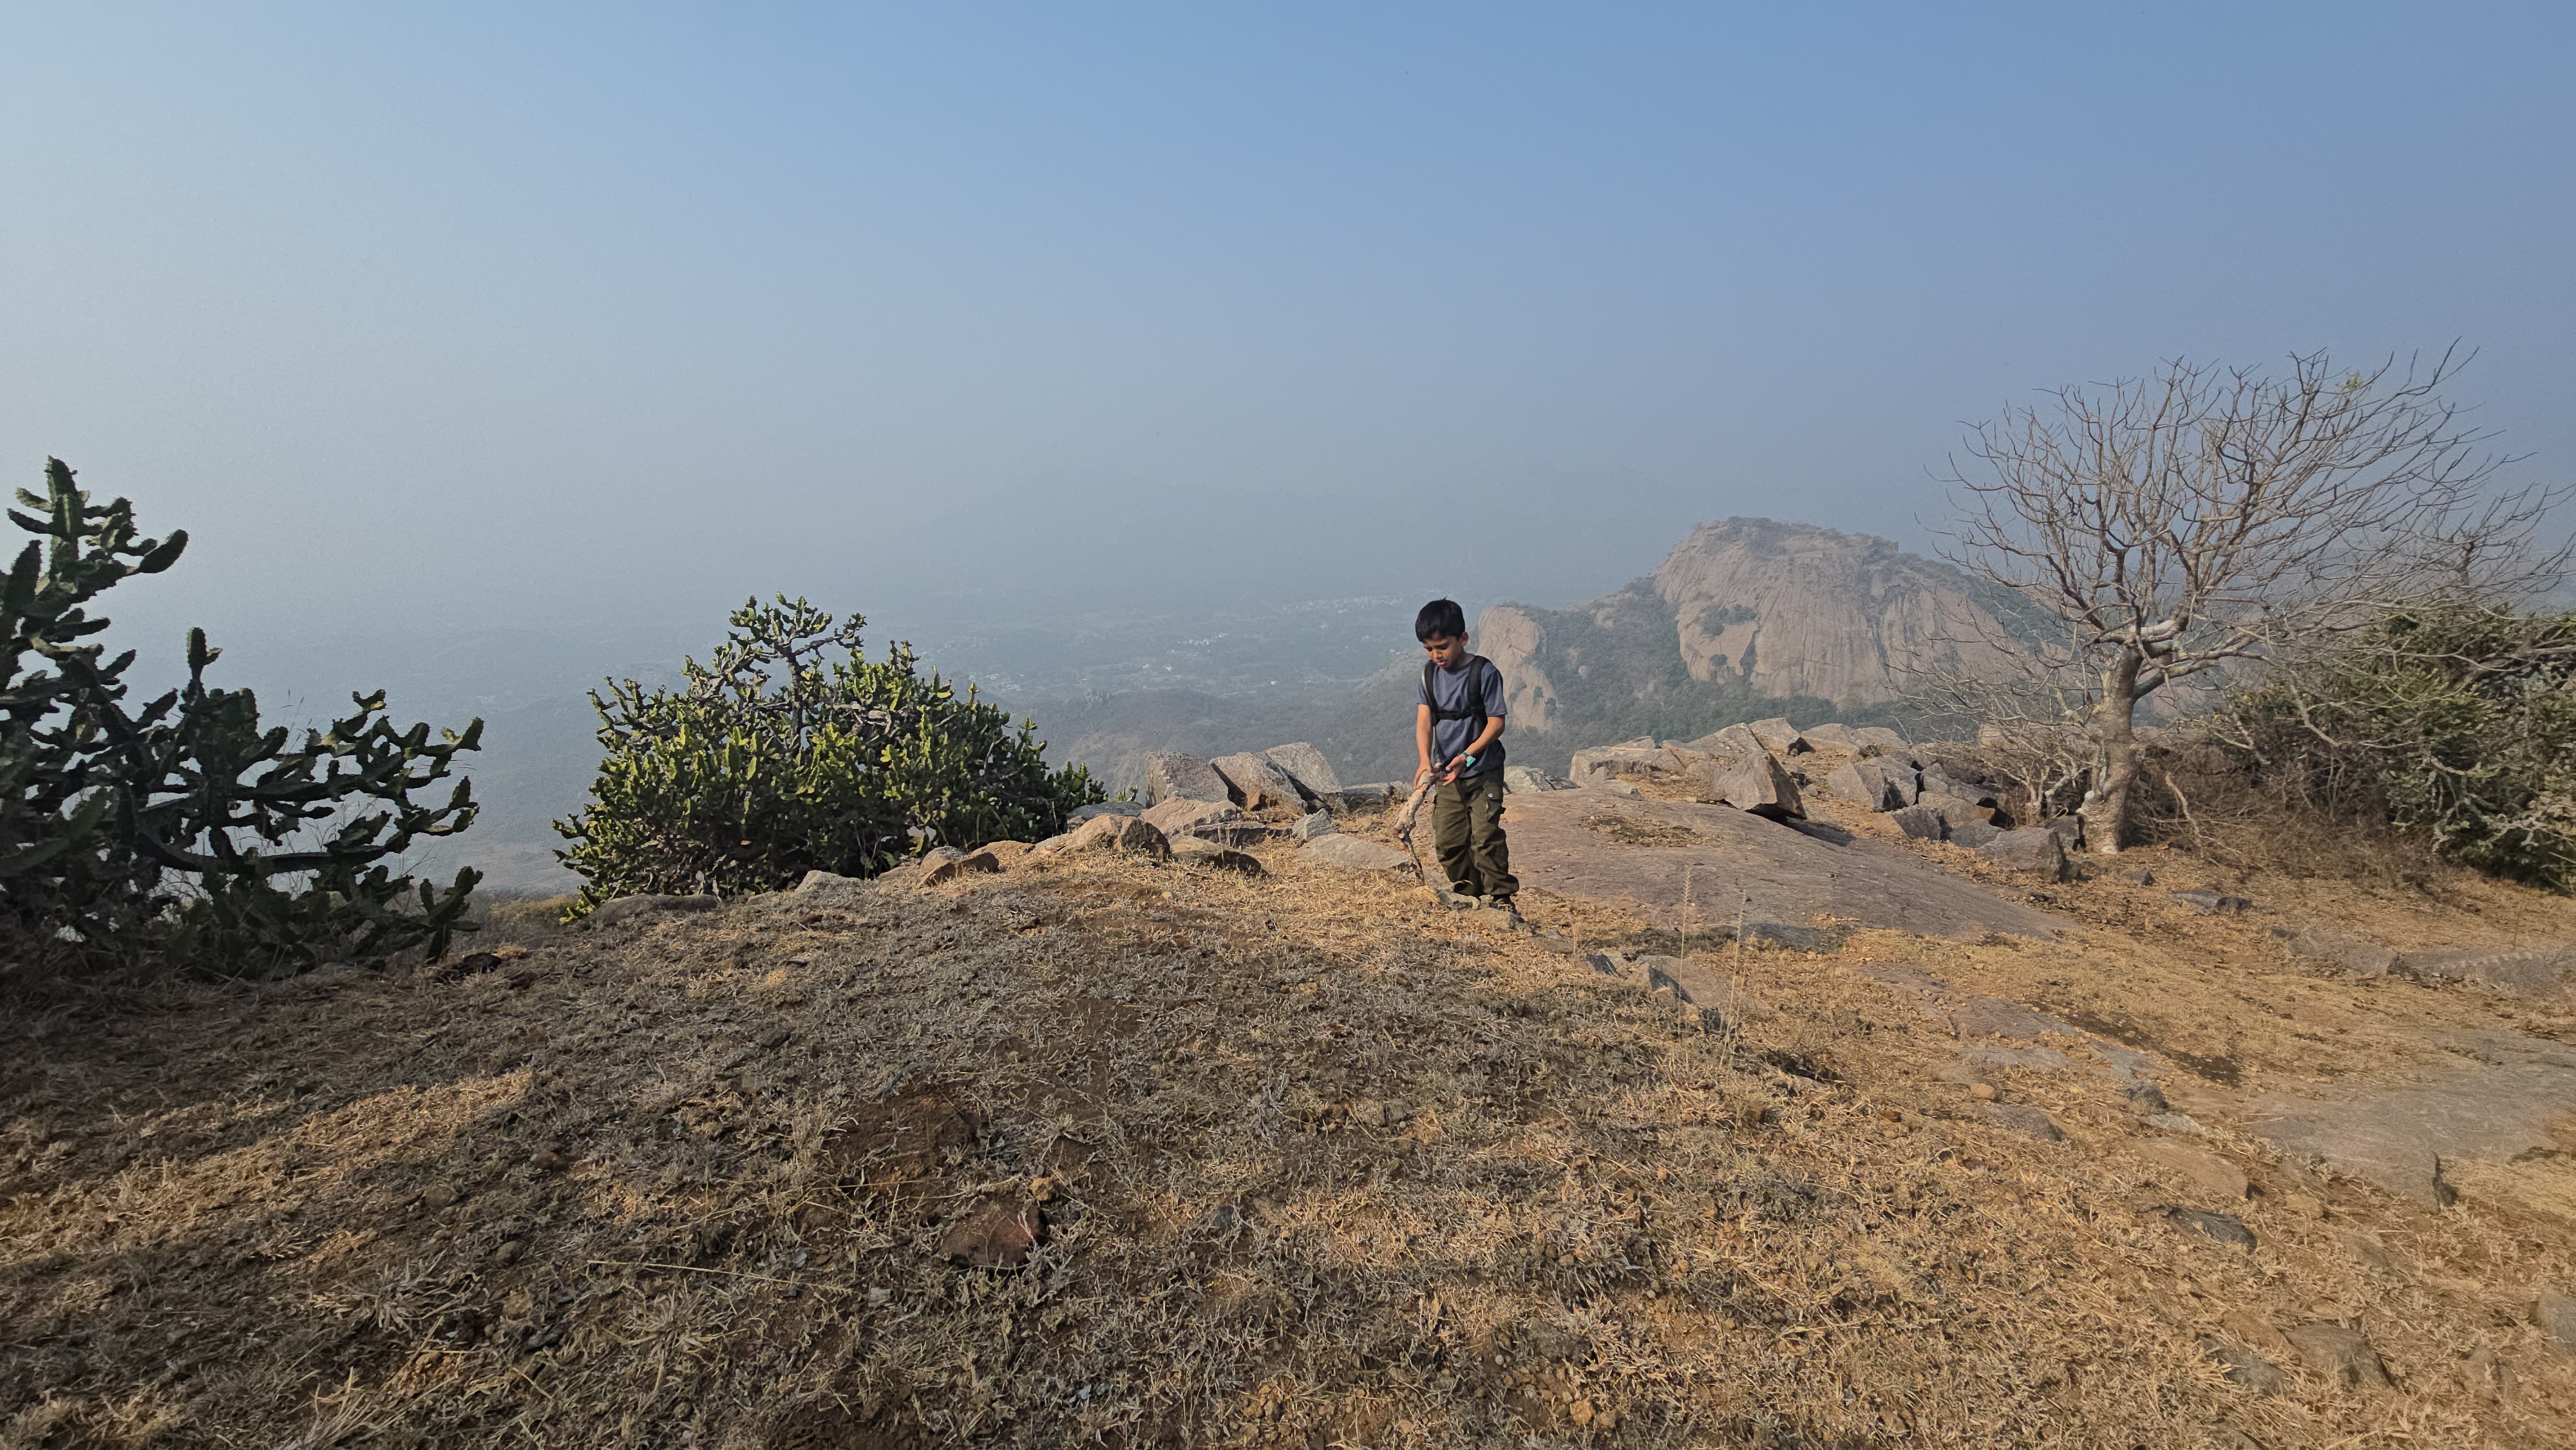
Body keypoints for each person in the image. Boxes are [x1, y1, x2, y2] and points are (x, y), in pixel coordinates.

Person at [1412, 598, 1518, 912]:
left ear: (1463, 639)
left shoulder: (1484, 673)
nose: (1436, 655)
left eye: (1442, 647)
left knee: (1485, 838)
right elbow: (1424, 722)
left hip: (1482, 770)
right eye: (1428, 649)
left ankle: (1501, 898)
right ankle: (1468, 894)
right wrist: (1424, 761)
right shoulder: (1428, 676)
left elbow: (1496, 724)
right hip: (1447, 774)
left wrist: (1466, 757)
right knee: (1449, 841)